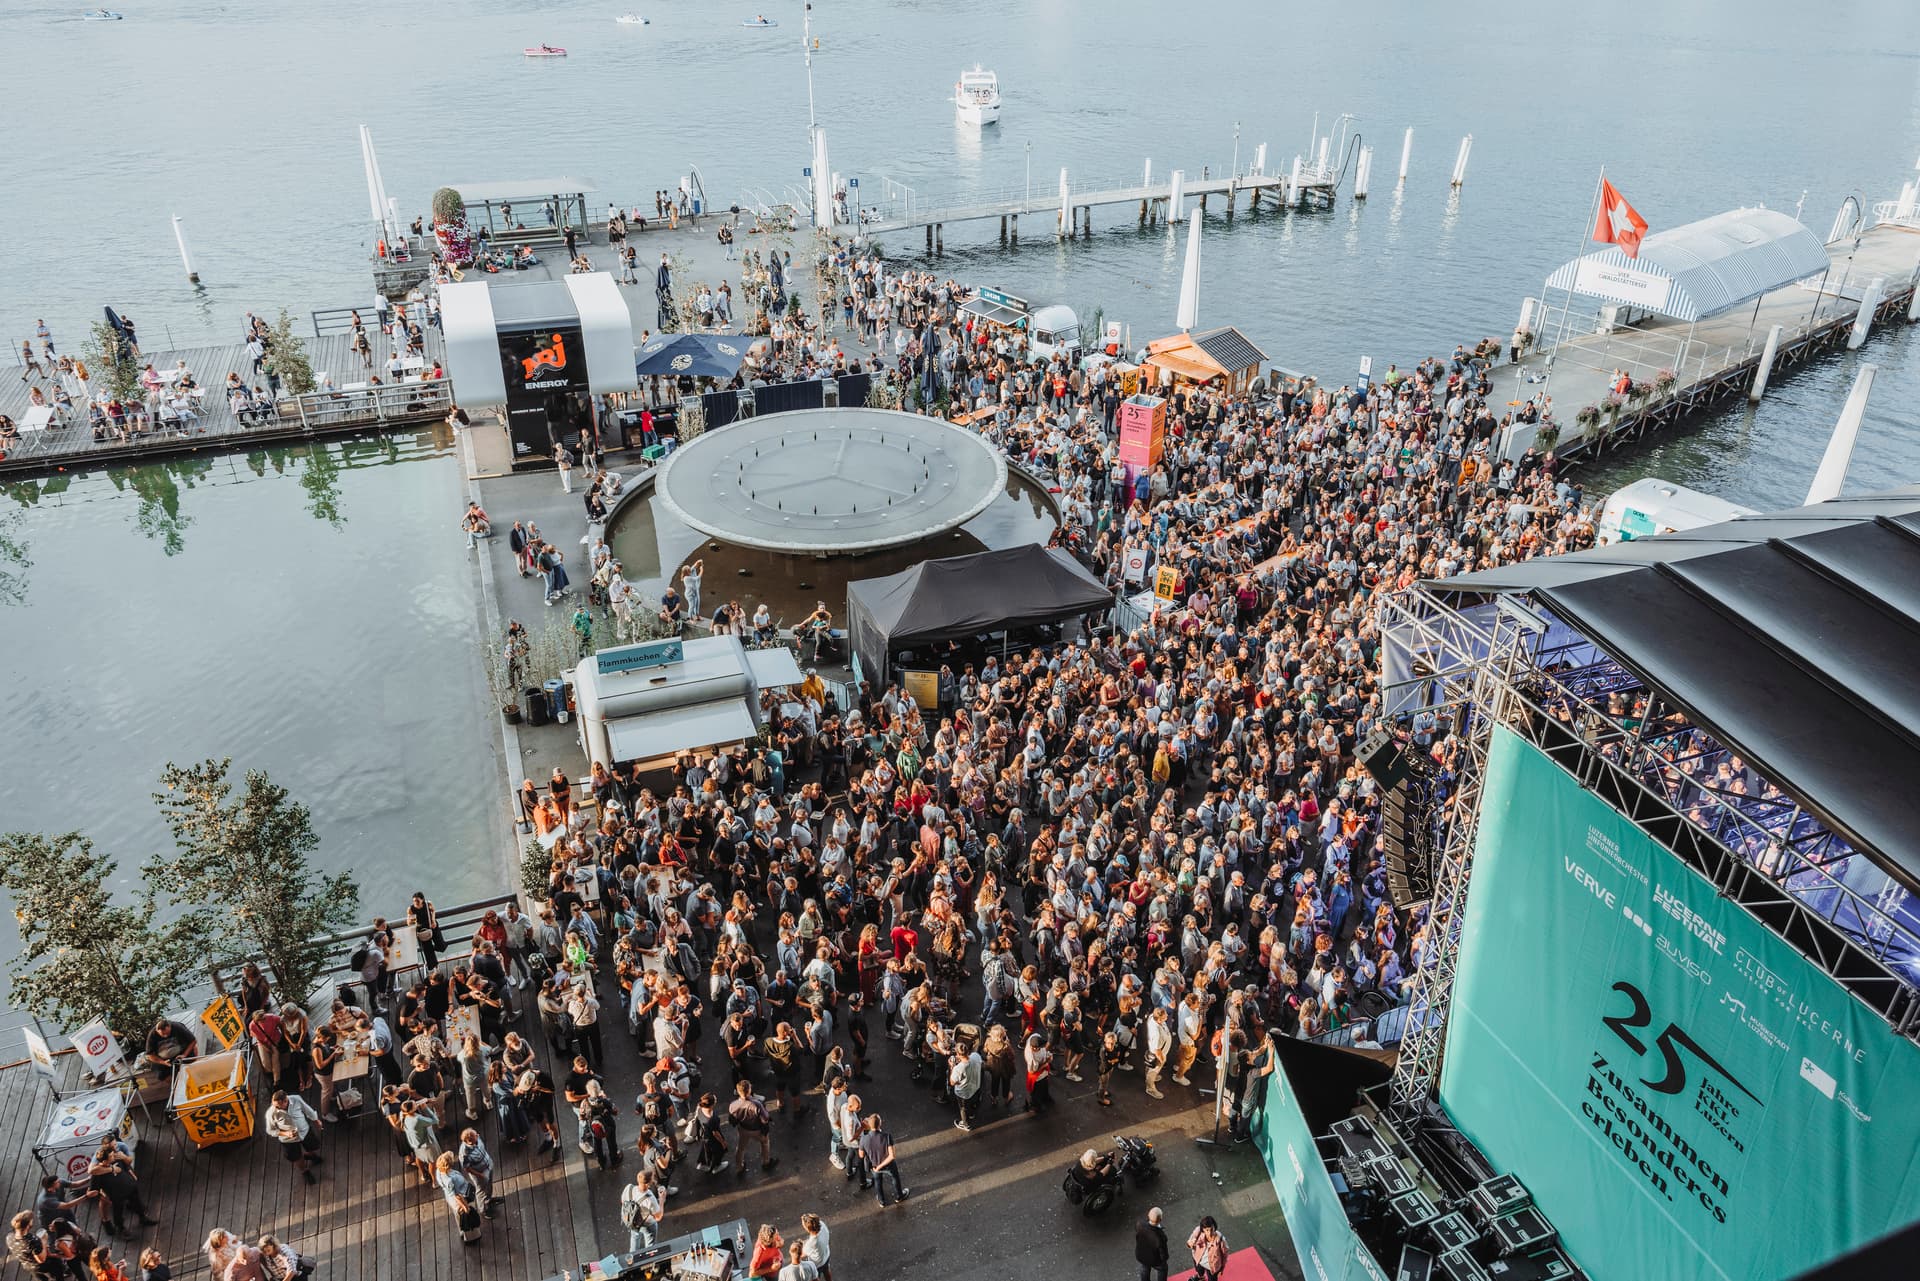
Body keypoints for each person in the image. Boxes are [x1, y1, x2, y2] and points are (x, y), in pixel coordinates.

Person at [263, 1090, 324, 1185]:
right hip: (288, 1140)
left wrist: (316, 1121)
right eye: (274, 1105)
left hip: (304, 1131)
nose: (275, 1107)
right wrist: (286, 1134)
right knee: (297, 1157)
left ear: (285, 1101)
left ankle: (310, 1155)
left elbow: (308, 1110)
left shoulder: (296, 1099)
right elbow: (270, 1130)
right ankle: (305, 1171)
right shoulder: (271, 1113)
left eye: (278, 1105)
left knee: (312, 1146)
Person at [433, 1153, 484, 1247]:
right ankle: (471, 1236)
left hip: (451, 1198)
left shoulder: (439, 1172)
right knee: (466, 1217)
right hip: (461, 1199)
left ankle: (462, 1231)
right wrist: (465, 1207)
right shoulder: (450, 1180)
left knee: (459, 1217)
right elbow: (456, 1195)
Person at [859, 1113, 909, 1207]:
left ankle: (881, 1201)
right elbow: (892, 1156)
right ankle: (899, 1196)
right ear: (880, 1124)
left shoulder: (864, 1139)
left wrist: (877, 1166)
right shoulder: (887, 1136)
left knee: (878, 1181)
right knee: (895, 1178)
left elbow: (861, 1155)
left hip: (874, 1165)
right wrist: (881, 1166)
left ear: (869, 1125)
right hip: (888, 1165)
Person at [619, 1169, 662, 1254]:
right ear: (648, 1184)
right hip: (646, 1225)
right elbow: (658, 1217)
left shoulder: (629, 1188)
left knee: (635, 1237)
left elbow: (622, 1202)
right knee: (650, 1245)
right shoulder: (650, 1198)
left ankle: (633, 1257)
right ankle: (649, 1259)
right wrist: (662, 1200)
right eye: (652, 1179)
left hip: (631, 1221)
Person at [1187, 1216, 1228, 1281]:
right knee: (1199, 1272)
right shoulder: (1198, 1231)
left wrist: (1222, 1268)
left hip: (1212, 1267)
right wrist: (1190, 1243)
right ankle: (1201, 1278)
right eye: (1207, 1230)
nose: (1210, 1233)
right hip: (1198, 1260)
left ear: (1214, 1227)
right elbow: (1189, 1242)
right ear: (1203, 1229)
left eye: (1211, 1229)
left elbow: (1225, 1255)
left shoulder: (1220, 1239)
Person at [1136, 1207, 1170, 1281]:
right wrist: (1164, 1260)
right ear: (1160, 1220)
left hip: (1142, 1255)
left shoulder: (1140, 1224)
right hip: (1155, 1260)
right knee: (1163, 1269)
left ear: (1148, 1215)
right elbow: (1163, 1254)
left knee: (1145, 1268)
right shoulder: (1160, 1236)